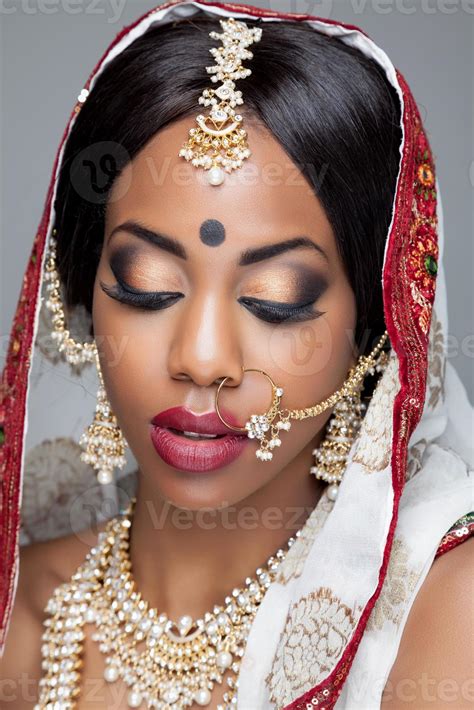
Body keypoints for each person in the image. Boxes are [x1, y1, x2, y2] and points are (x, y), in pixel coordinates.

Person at [0, 1, 472, 708]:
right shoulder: (19, 614)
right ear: (83, 298)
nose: (202, 358)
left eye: (276, 299)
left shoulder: (439, 614)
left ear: (378, 329)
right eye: (148, 287)